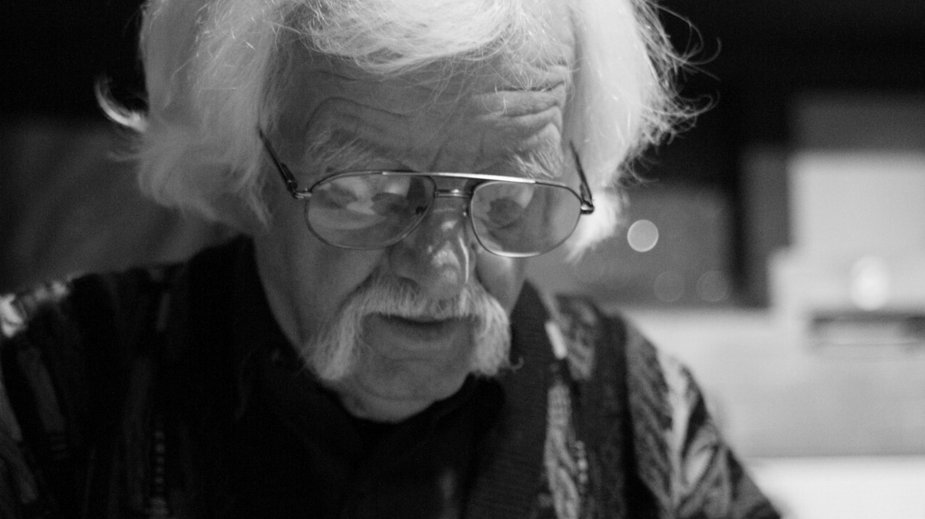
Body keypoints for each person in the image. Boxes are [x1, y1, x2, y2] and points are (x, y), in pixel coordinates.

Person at [0, 0, 779, 517]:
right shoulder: (45, 388)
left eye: (505, 197)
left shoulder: (640, 414)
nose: (440, 272)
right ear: (247, 174)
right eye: (370, 192)